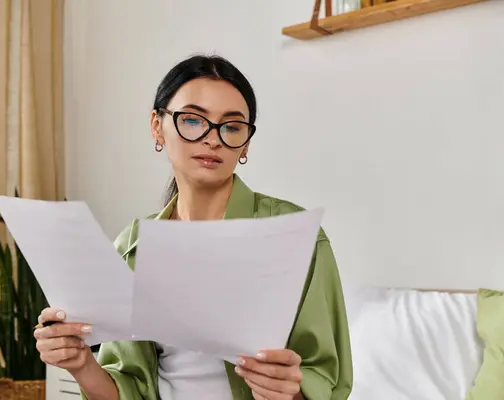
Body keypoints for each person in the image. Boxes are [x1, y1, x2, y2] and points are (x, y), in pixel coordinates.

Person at [34, 54, 353, 400]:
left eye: (232, 127)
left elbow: (326, 379)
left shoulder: (294, 235)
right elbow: (129, 389)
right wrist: (79, 363)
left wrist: (286, 391)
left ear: (245, 143)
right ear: (157, 126)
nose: (212, 139)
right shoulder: (133, 246)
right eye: (192, 120)